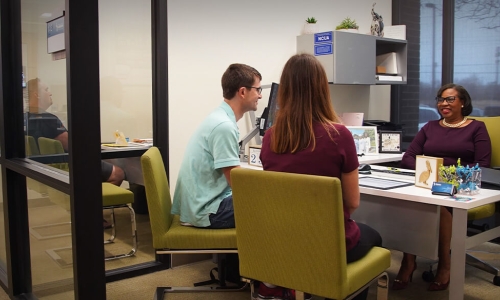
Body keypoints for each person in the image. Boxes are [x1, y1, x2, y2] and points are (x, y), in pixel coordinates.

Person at [259, 53, 382, 300]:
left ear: (286, 91)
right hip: (327, 243)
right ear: (321, 89)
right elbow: (352, 202)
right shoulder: (340, 135)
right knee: (375, 236)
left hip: (284, 240)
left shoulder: (271, 136)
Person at [393, 83, 491, 291]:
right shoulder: (429, 127)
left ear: (463, 103)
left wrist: (446, 173)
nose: (443, 104)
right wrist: (431, 170)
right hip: (427, 182)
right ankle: (408, 261)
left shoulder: (476, 128)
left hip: (459, 185)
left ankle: (445, 266)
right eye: (440, 99)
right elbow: (408, 158)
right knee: (407, 203)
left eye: (450, 99)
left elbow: (482, 164)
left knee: (442, 206)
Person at [25, 78, 126, 228]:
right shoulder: (48, 119)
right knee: (117, 173)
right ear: (36, 95)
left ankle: (86, 207)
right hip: (68, 167)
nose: (50, 93)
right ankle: (90, 214)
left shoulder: (26, 118)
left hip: (45, 168)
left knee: (105, 166)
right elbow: (72, 145)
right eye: (46, 90)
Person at [172, 63, 262, 228]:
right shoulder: (223, 126)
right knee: (272, 201)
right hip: (208, 211)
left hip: (200, 205)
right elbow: (236, 181)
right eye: (258, 89)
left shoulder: (219, 118)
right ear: (242, 92)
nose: (260, 96)